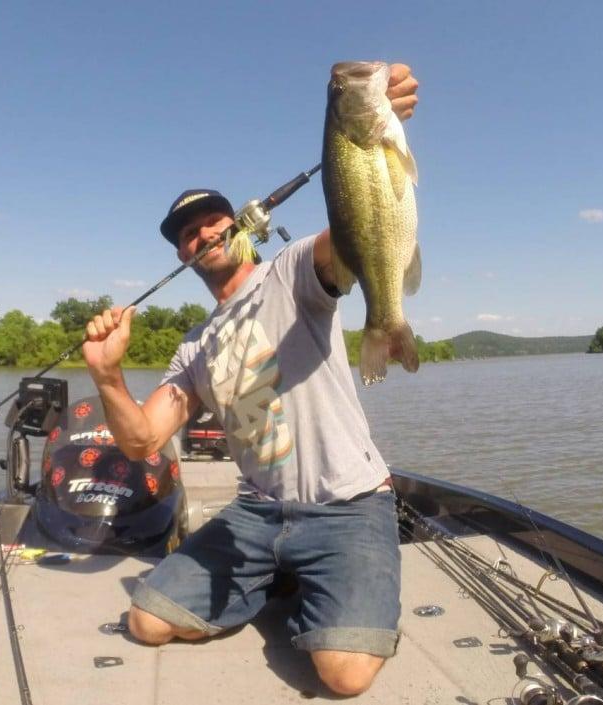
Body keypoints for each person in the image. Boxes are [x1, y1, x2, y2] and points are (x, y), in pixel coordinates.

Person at [83, 63, 419, 697]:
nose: (204, 232)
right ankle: (277, 576)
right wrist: (108, 377)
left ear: (238, 224)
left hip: (349, 507)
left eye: (213, 220)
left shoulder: (292, 273)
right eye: (188, 234)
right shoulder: (193, 348)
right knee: (147, 621)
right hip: (256, 515)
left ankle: (317, 585)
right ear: (183, 257)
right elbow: (140, 442)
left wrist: (379, 126)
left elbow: (349, 238)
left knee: (343, 676)